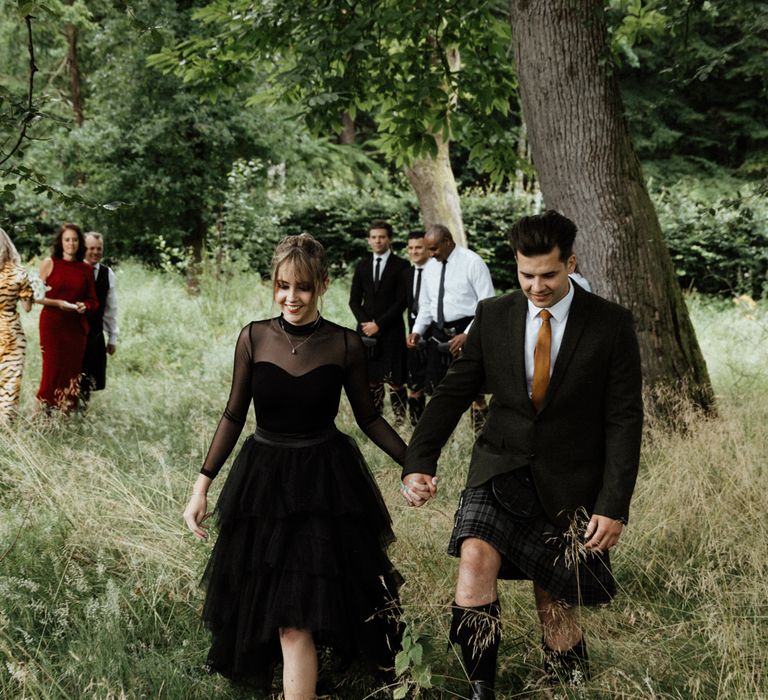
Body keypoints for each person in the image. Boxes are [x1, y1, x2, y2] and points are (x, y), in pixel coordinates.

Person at [401, 211, 643, 697]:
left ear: (570, 263)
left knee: (555, 604)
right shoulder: (494, 315)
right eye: (526, 274)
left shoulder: (611, 324)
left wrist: (613, 505)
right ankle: (480, 689)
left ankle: (567, 688)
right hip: (500, 465)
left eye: (549, 275)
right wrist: (419, 461)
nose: (536, 286)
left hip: (570, 480)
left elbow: (623, 420)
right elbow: (453, 392)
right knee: (473, 561)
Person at [183, 234, 407, 698]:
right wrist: (201, 486)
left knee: (311, 607)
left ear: (322, 285)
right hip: (264, 483)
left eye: (302, 287)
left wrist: (414, 462)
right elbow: (232, 414)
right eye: (282, 286)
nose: (291, 298)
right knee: (284, 614)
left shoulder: (345, 345)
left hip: (325, 483)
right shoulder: (254, 336)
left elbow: (368, 417)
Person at [406, 224, 494, 431]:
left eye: (434, 248)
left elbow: (487, 303)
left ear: (448, 242)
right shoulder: (430, 267)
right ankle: (442, 439)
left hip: (468, 330)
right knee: (438, 391)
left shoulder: (472, 262)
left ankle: (481, 438)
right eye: (428, 248)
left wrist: (467, 335)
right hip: (439, 333)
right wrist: (417, 330)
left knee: (475, 393)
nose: (430, 253)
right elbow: (427, 304)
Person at [349, 221, 409, 423]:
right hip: (366, 332)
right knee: (371, 379)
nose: (377, 240)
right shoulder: (363, 265)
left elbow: (402, 301)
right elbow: (354, 301)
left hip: (391, 331)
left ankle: (400, 422)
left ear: (389, 239)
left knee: (396, 380)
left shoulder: (401, 265)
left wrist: (379, 325)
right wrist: (367, 324)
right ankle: (375, 421)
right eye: (374, 237)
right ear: (369, 240)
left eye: (382, 237)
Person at [36, 224, 99, 412]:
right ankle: (40, 415)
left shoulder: (85, 269)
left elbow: (93, 301)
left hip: (75, 329)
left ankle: (65, 417)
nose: (71, 243)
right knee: (52, 372)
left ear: (80, 243)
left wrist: (84, 306)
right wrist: (58, 303)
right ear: (60, 242)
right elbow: (35, 296)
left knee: (72, 373)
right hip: (53, 325)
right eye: (67, 239)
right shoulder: (50, 263)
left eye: (75, 239)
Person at [80, 232, 119, 404]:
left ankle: (82, 413)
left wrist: (112, 337)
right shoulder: (74, 269)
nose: (95, 252)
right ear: (83, 249)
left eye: (99, 249)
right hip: (74, 332)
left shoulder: (107, 273)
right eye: (91, 248)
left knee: (89, 378)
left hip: (95, 334)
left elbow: (111, 308)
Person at [0, 228, 34, 423]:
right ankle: (5, 427)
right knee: (10, 384)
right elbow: (27, 307)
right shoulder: (19, 273)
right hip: (12, 332)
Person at [403, 230, 430, 426]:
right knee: (414, 381)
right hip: (412, 331)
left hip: (435, 333)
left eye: (418, 247)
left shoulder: (437, 271)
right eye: (411, 248)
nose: (414, 251)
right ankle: (416, 426)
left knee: (436, 384)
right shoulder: (407, 273)